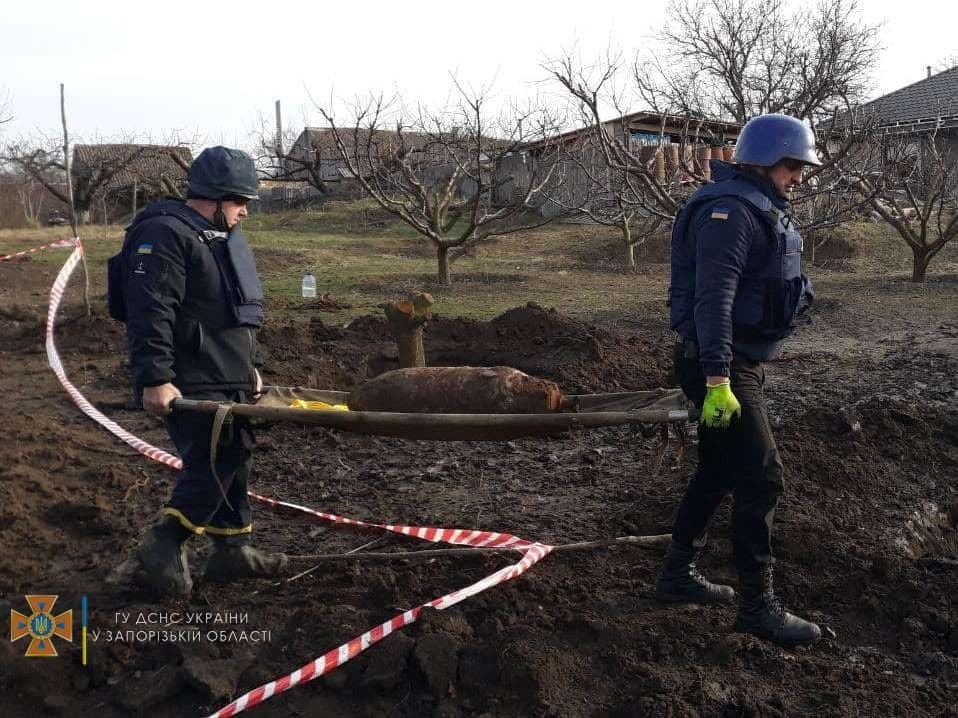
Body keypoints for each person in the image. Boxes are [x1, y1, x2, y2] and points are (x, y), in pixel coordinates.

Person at [656, 114, 820, 647]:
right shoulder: (728, 213)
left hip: (730, 361)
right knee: (762, 475)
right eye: (794, 166)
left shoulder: (759, 207)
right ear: (769, 159)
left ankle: (676, 574)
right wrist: (718, 377)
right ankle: (758, 608)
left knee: (720, 468)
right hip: (718, 364)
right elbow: (714, 300)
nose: (798, 177)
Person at [119, 146, 287, 597]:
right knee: (219, 459)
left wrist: (248, 369)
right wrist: (155, 377)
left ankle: (233, 551)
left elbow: (232, 312)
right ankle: (164, 542)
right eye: (239, 202)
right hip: (189, 377)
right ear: (213, 198)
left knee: (235, 457)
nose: (245, 211)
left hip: (226, 374)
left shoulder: (214, 237)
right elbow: (150, 310)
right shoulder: (164, 234)